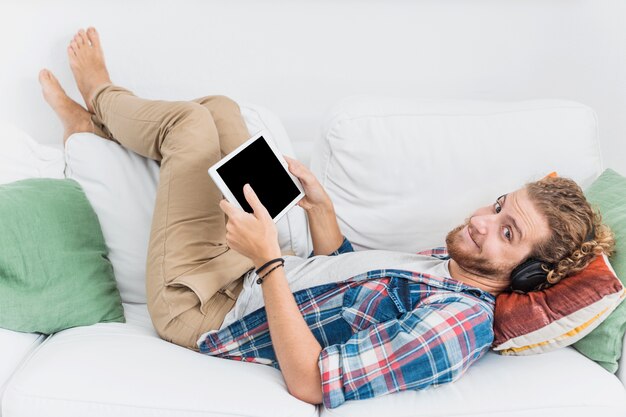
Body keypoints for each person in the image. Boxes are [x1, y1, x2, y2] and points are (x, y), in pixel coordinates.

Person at [40, 27, 615, 409]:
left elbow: (312, 379)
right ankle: (100, 127)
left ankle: (97, 99)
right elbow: (345, 280)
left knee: (188, 128)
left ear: (528, 276)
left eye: (506, 231)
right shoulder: (455, 263)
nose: (481, 222)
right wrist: (321, 208)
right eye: (497, 207)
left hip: (203, 309)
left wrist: (267, 259)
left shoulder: (455, 327)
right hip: (251, 271)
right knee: (219, 109)